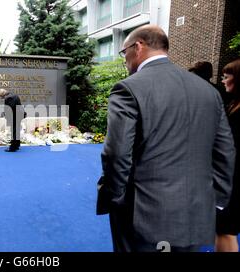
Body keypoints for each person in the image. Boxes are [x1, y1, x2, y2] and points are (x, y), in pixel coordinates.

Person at [98, 25, 235, 252]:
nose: (124, 59)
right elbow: (225, 152)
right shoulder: (208, 91)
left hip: (142, 214)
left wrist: (116, 197)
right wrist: (217, 201)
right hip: (197, 211)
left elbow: (117, 153)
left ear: (138, 47)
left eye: (124, 52)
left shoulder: (128, 88)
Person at [216, 58, 240, 252]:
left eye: (226, 77)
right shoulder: (233, 105)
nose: (223, 81)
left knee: (225, 229)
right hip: (230, 176)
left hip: (233, 179)